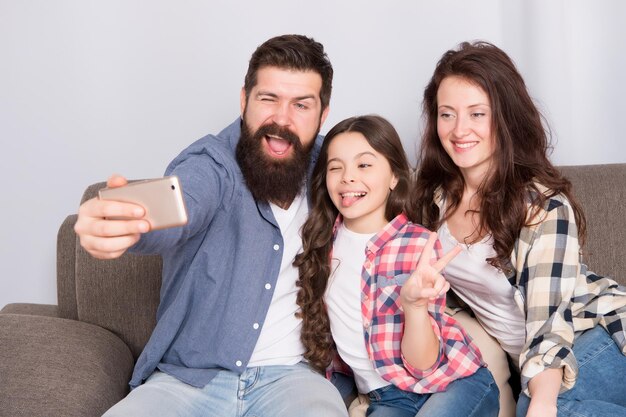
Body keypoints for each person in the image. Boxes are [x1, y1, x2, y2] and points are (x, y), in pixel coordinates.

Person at [73, 34, 349, 417]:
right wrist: (127, 221)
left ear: (323, 115)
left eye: (301, 105)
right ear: (243, 100)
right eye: (268, 99)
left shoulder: (335, 170)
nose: (282, 120)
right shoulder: (211, 162)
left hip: (292, 381)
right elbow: (182, 203)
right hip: (188, 380)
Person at [412, 41, 626, 417]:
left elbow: (548, 325)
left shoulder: (542, 208)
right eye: (447, 114)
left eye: (477, 114)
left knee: (539, 404)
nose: (459, 130)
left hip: (595, 333)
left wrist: (541, 404)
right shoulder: (434, 199)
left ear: (505, 117)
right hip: (532, 357)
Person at [294, 115, 499, 417]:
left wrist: (414, 306)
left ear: (393, 177)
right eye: (336, 167)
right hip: (389, 398)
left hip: (454, 383)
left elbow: (424, 365)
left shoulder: (418, 245)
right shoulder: (320, 245)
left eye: (364, 165)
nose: (348, 177)